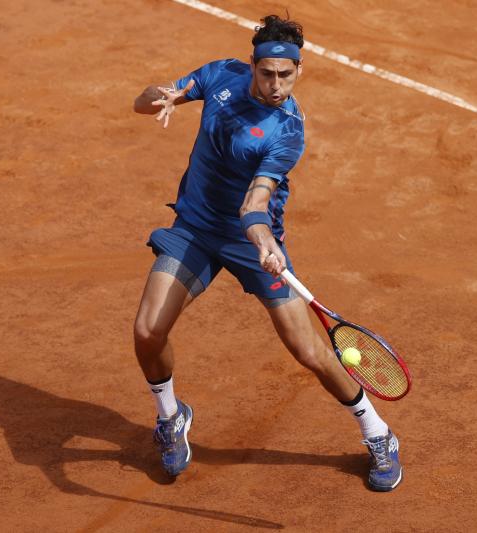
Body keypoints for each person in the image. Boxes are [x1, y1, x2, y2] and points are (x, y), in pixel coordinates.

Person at [132, 15, 403, 492]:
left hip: (252, 241)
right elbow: (143, 102)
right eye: (267, 73)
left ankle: (376, 431)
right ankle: (171, 417)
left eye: (287, 75)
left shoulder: (286, 130)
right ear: (251, 65)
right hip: (194, 228)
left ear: (298, 71)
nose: (276, 85)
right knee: (148, 331)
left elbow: (255, 203)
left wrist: (262, 242)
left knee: (310, 352)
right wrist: (162, 94)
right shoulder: (219, 75)